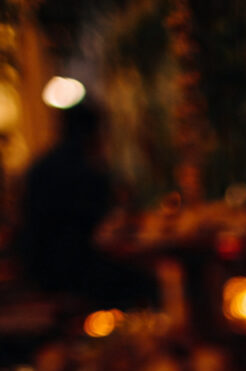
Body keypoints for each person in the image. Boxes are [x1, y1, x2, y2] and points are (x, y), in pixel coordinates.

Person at [17, 99, 155, 308]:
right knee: (146, 285)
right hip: (73, 269)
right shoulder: (83, 169)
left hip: (41, 268)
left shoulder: (41, 166)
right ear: (91, 131)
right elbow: (101, 225)